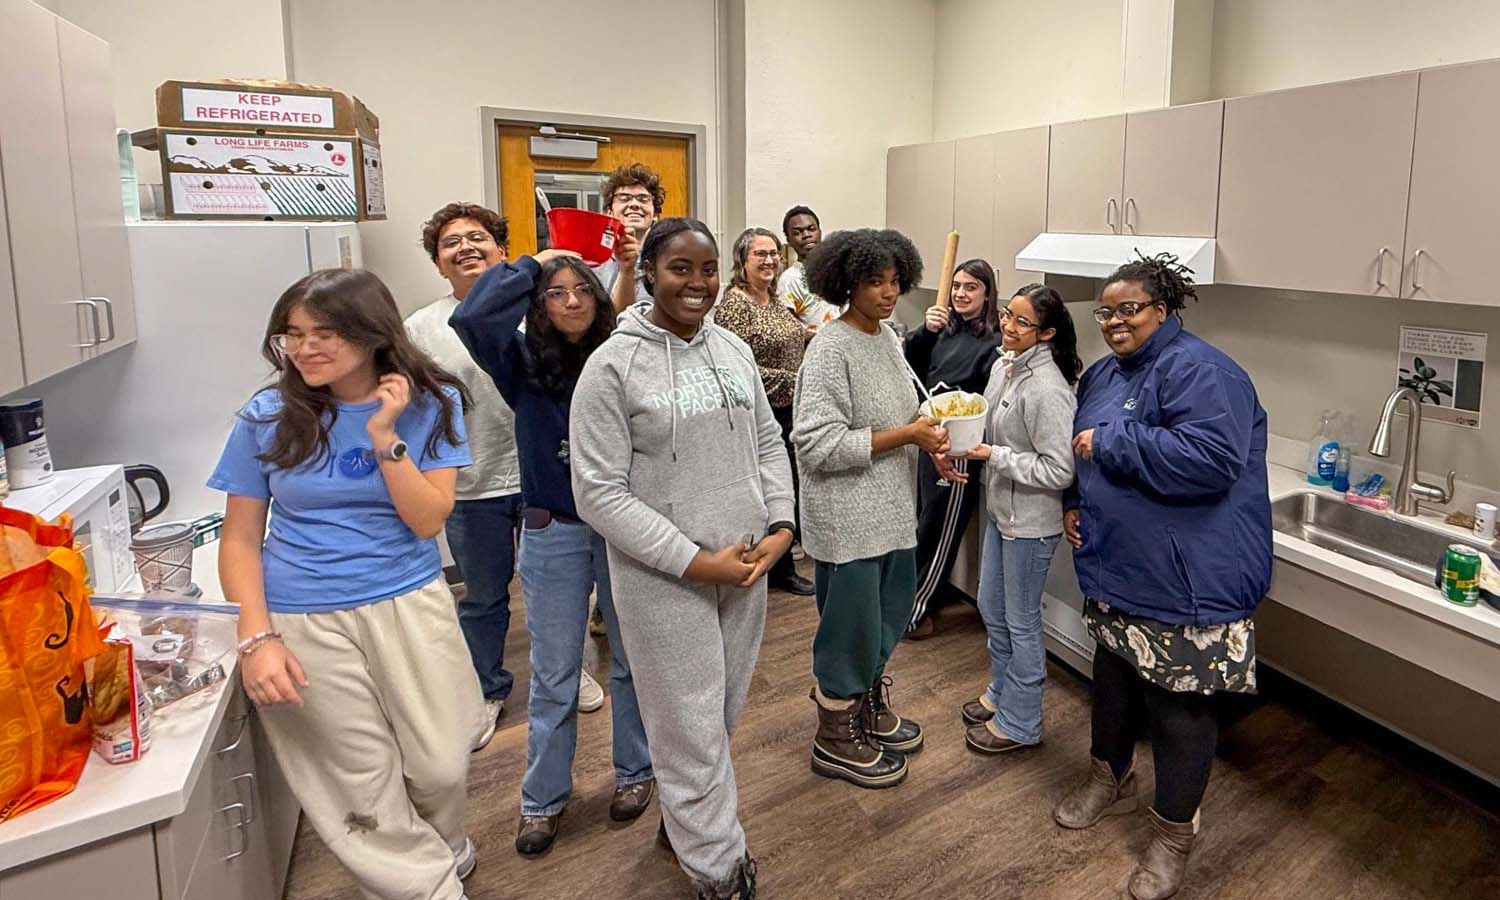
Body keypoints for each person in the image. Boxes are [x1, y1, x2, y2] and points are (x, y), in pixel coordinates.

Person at [211, 268, 482, 900]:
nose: (304, 349)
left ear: (372, 334)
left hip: (409, 600)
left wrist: (384, 438)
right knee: (358, 778)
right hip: (303, 616)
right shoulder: (268, 415)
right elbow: (240, 538)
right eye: (293, 334)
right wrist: (257, 639)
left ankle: (432, 853)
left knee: (442, 763)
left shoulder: (430, 403)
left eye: (325, 333)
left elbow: (427, 520)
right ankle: (426, 886)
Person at [571, 217, 794, 899]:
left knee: (718, 714)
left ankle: (685, 816)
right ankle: (720, 869)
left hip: (747, 564)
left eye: (705, 270)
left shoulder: (731, 350)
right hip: (665, 581)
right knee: (689, 726)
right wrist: (697, 563)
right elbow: (597, 493)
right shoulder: (612, 365)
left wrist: (782, 525)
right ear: (648, 274)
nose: (695, 284)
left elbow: (766, 444)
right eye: (679, 269)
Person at [1053, 253, 1271, 900]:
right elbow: (1080, 449)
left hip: (1187, 580)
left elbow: (1209, 460)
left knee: (1179, 710)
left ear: (1162, 309)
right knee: (1113, 683)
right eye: (1106, 311)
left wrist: (1113, 444)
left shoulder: (1202, 370)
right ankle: (1109, 777)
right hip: (1118, 567)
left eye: (1130, 309)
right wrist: (1072, 503)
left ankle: (1173, 835)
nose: (1116, 321)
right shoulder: (1100, 375)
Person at [449, 249, 656, 857]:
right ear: (538, 304)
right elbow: (473, 319)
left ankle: (635, 772)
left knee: (630, 659)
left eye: (581, 291)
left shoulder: (618, 354)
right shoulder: (518, 361)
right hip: (552, 530)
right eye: (555, 293)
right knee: (555, 672)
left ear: (598, 299)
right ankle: (542, 800)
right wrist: (535, 262)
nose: (570, 301)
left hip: (621, 528)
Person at [406, 202, 598, 750]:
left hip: (542, 480)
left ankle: (570, 670)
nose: (465, 247)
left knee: (560, 591)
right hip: (473, 483)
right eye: (451, 243)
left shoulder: (536, 311)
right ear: (439, 262)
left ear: (500, 250)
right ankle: (486, 688)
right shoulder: (420, 327)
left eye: (478, 238)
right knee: (485, 596)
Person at [792, 228, 948, 790]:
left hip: (890, 511)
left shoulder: (886, 339)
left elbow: (908, 417)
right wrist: (906, 433)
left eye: (895, 281)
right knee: (849, 632)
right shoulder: (830, 350)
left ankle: (864, 705)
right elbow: (814, 445)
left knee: (884, 620)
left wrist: (930, 441)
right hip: (847, 518)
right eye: (874, 282)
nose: (889, 292)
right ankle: (834, 732)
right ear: (845, 284)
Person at [934, 284, 1080, 755]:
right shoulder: (1003, 367)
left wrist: (993, 455)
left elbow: (1059, 469)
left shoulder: (1048, 390)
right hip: (1001, 510)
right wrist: (961, 443)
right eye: (1007, 315)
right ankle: (1003, 693)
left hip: (1032, 525)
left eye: (1021, 322)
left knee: (1020, 621)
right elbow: (986, 427)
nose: (1008, 326)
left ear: (1047, 333)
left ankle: (1023, 721)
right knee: (991, 608)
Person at [902, 259, 1005, 638]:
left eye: (971, 287)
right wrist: (923, 334)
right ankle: (909, 599)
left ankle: (916, 611)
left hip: (959, 449)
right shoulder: (942, 328)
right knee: (921, 523)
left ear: (987, 294)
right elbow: (910, 368)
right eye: (957, 286)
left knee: (937, 530)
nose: (960, 293)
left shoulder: (994, 342)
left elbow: (983, 402)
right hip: (927, 439)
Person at [713, 226, 814, 596]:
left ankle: (780, 562)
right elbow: (738, 366)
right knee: (767, 488)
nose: (770, 260)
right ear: (742, 261)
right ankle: (776, 567)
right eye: (761, 254)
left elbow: (790, 339)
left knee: (784, 486)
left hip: (789, 408)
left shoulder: (773, 299)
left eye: (774, 253)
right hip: (758, 410)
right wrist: (796, 378)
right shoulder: (735, 305)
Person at [593, 162, 664, 313]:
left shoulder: (666, 258)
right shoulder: (594, 261)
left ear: (655, 214)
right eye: (624, 198)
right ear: (609, 212)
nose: (634, 204)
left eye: (643, 199)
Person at [777, 205, 838, 332]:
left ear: (820, 232)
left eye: (811, 229)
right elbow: (790, 334)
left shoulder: (836, 271)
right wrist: (823, 340)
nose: (806, 235)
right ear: (789, 240)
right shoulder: (789, 280)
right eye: (797, 233)